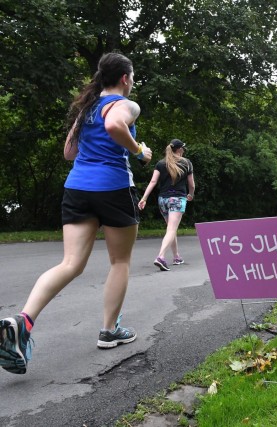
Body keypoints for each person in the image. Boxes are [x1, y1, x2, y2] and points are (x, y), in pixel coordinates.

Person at [0, 52, 152, 374]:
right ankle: (109, 330)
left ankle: (22, 321)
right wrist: (139, 151)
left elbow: (69, 152)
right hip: (112, 188)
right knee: (120, 261)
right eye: (133, 76)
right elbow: (114, 124)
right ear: (125, 78)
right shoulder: (126, 104)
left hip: (78, 188)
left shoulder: (86, 109)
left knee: (70, 264)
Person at [138, 139, 195, 271]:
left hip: (163, 200)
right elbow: (191, 185)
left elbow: (153, 182)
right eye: (183, 148)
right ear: (179, 149)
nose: (184, 150)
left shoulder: (160, 163)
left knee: (171, 229)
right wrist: (190, 194)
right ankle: (161, 257)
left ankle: (176, 257)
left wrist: (144, 198)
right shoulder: (186, 163)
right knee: (171, 229)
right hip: (177, 199)